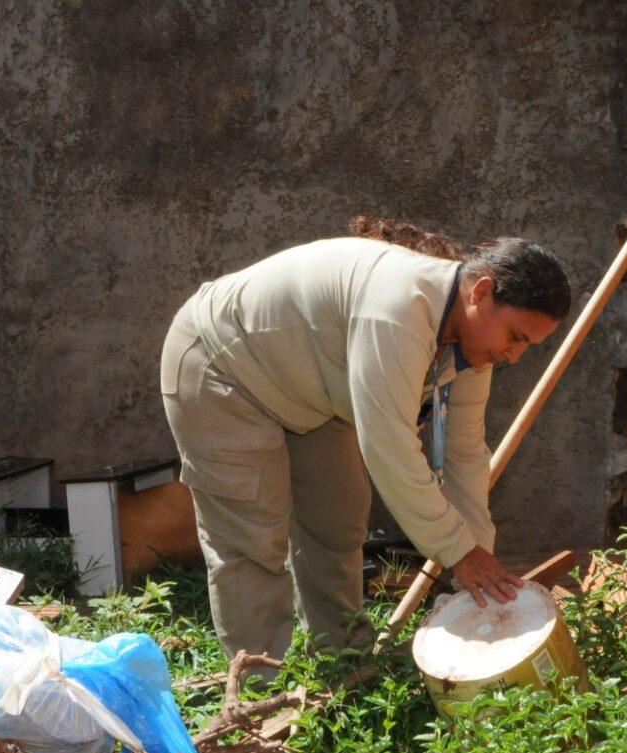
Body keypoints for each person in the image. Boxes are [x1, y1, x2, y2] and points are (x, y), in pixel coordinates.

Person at [159, 217, 572, 663]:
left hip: (308, 390)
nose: (513, 356)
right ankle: (260, 689)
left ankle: (344, 662)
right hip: (224, 369)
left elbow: (465, 454)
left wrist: (477, 565)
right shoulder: (398, 309)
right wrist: (459, 553)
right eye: (514, 337)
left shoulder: (471, 347)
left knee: (338, 519)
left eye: (527, 346)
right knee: (254, 541)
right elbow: (390, 450)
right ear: (481, 292)